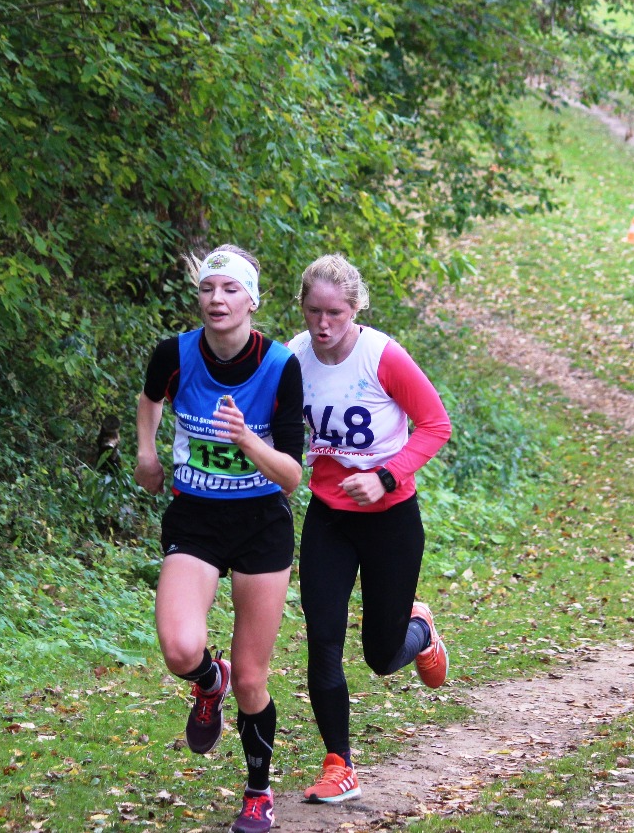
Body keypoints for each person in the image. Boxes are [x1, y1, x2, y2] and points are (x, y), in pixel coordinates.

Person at [134, 244, 304, 833]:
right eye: (208, 289)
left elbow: (291, 476)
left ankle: (258, 790)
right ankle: (210, 681)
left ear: (252, 300)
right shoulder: (174, 353)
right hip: (196, 519)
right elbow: (151, 398)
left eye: (231, 290)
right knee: (181, 648)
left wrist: (248, 442)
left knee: (255, 679)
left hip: (261, 523)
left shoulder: (282, 365)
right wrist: (147, 453)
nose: (217, 300)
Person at [289, 254, 453, 803]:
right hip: (329, 521)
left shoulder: (382, 356)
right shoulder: (293, 357)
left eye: (334, 311)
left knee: (381, 657)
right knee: (322, 639)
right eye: (313, 311)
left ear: (355, 308)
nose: (323, 324)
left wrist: (385, 476)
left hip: (391, 521)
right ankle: (340, 764)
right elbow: (280, 427)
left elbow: (435, 426)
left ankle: (421, 631)